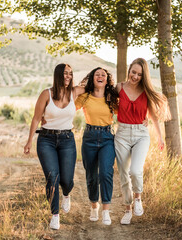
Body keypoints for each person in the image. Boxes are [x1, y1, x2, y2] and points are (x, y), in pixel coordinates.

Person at [24, 63, 84, 230]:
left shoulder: (75, 92)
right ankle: (55, 214)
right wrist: (29, 141)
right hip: (46, 139)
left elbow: (94, 83)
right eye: (65, 73)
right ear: (58, 74)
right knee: (52, 177)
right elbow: (36, 118)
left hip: (67, 139)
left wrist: (103, 77)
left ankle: (66, 194)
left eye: (70, 74)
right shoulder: (46, 94)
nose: (68, 76)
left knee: (67, 180)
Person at [114, 58, 170, 225]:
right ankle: (127, 209)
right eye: (133, 72)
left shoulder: (146, 92)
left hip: (140, 134)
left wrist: (160, 137)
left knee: (135, 171)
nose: (135, 76)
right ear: (129, 70)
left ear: (143, 75)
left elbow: (152, 116)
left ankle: (138, 198)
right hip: (122, 134)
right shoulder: (119, 87)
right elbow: (109, 104)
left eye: (139, 74)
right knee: (124, 174)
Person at [75, 67, 118, 225]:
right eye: (97, 74)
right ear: (92, 78)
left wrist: (143, 119)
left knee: (106, 173)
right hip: (89, 138)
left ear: (107, 79)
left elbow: (125, 113)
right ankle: (94, 206)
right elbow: (69, 109)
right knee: (92, 176)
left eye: (103, 75)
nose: (100, 76)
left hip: (107, 138)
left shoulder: (111, 98)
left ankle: (106, 211)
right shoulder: (85, 97)